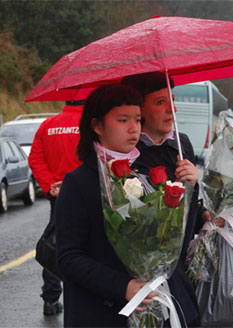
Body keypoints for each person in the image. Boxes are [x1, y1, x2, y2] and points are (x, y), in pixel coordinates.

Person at [122, 71, 224, 327]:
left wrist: (201, 203)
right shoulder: (126, 153)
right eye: (160, 102)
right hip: (138, 279)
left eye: (172, 100)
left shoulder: (182, 145)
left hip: (178, 273)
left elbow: (191, 209)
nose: (172, 109)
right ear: (139, 109)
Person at [55, 84, 160, 327]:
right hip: (98, 314)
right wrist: (123, 286)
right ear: (97, 126)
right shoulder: (78, 182)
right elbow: (69, 258)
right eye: (123, 120)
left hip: (149, 307)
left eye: (137, 119)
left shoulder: (146, 176)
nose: (134, 128)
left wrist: (189, 190)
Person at [28, 100, 84, 315]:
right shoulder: (93, 124)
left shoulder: (48, 125)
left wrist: (49, 185)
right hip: (86, 193)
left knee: (56, 244)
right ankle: (79, 297)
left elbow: (36, 159)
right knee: (87, 248)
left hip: (58, 195)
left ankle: (50, 299)